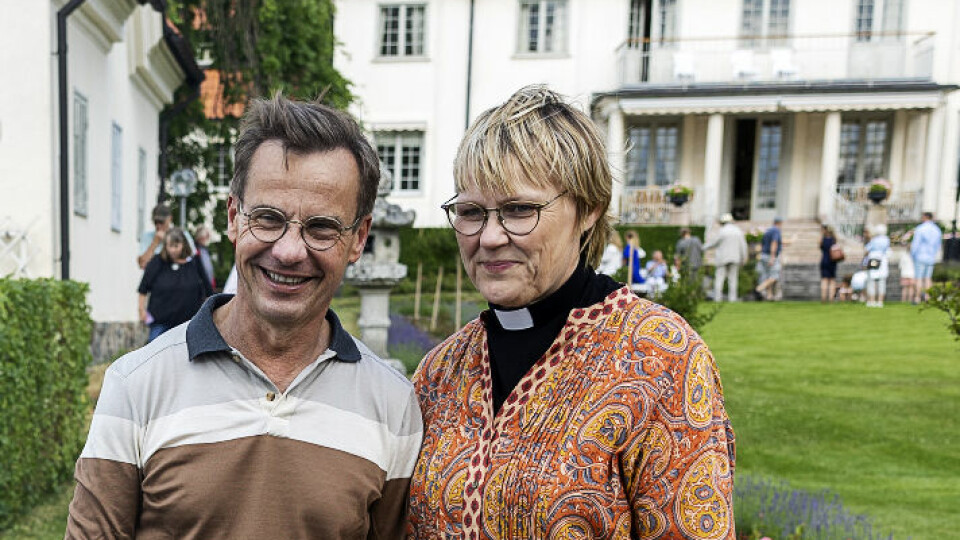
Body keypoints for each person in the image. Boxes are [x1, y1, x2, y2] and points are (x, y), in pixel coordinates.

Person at [67, 93, 423, 538]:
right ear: (234, 217)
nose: (290, 251)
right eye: (268, 219)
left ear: (358, 238)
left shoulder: (392, 405)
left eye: (321, 228)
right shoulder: (137, 386)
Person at [408, 86, 736, 539]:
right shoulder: (440, 371)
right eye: (471, 212)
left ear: (588, 209)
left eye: (518, 209)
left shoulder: (661, 358)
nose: (488, 237)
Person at [137, 227, 213, 342]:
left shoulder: (194, 262)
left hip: (188, 324)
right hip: (160, 323)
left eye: (176, 246)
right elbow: (143, 288)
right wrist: (141, 310)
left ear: (183, 244)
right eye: (169, 246)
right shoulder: (157, 262)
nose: (172, 250)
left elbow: (208, 289)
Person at [704, 213, 748, 302]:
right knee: (733, 279)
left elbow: (713, 243)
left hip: (722, 258)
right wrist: (744, 257)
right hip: (735, 258)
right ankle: (732, 298)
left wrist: (703, 247)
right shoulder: (738, 231)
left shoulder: (722, 231)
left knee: (720, 278)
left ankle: (718, 298)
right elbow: (743, 246)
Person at [137, 204, 195, 269]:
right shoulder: (147, 237)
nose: (158, 226)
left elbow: (192, 259)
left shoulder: (183, 235)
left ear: (170, 219)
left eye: (161, 222)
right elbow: (142, 264)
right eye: (156, 222)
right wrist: (155, 242)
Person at [910, 212, 942, 304]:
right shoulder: (937, 229)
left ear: (925, 217)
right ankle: (927, 297)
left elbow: (916, 244)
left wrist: (912, 255)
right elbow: (938, 245)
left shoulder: (921, 229)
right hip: (931, 256)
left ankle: (917, 298)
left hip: (920, 255)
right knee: (928, 278)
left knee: (919, 278)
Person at [755, 217, 783, 301]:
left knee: (768, 276)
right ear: (780, 223)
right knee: (774, 276)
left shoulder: (768, 231)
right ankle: (759, 289)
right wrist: (772, 257)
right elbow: (774, 243)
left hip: (763, 255)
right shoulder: (776, 231)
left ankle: (769, 296)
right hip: (770, 256)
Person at [864, 223, 891, 308]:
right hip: (882, 259)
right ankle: (880, 301)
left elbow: (867, 249)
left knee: (871, 280)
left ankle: (871, 301)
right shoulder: (886, 239)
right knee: (881, 281)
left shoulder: (874, 240)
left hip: (873, 259)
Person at [819, 225, 839, 303]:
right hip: (832, 261)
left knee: (824, 280)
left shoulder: (823, 239)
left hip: (824, 260)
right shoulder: (834, 239)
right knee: (832, 280)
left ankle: (823, 298)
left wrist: (821, 234)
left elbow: (819, 244)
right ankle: (831, 299)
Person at [194, 224, 216, 288]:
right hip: (201, 286)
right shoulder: (195, 250)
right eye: (206, 236)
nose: (208, 238)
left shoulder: (205, 250)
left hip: (209, 285)